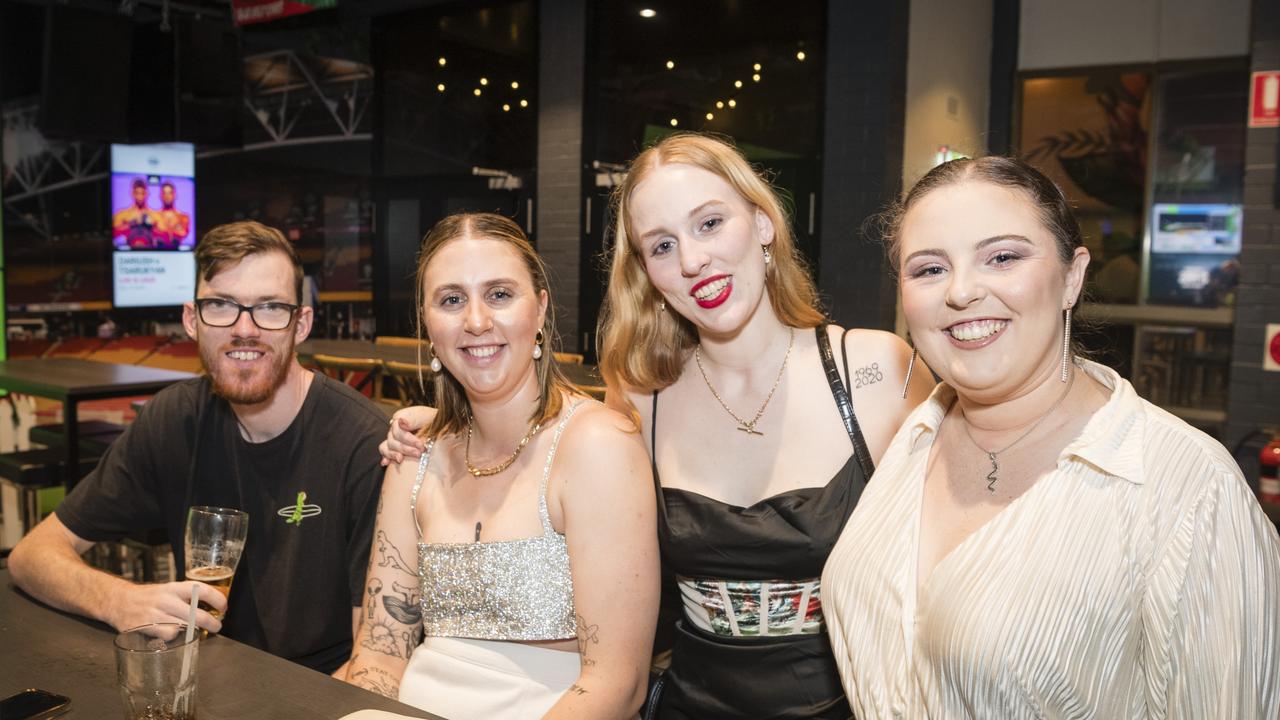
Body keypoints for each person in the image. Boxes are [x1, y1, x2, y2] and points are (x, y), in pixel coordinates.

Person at [381, 133, 932, 719]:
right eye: (662, 245)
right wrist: (449, 419)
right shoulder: (642, 398)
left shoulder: (876, 373)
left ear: (764, 223)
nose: (693, 260)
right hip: (690, 706)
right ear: (645, 271)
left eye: (710, 223)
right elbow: (551, 427)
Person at [822, 157, 1280, 718]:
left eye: (1004, 257)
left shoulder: (1187, 490)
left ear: (1071, 277)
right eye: (929, 269)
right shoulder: (910, 438)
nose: (962, 292)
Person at [9, 220, 387, 676]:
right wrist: (120, 600)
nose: (244, 329)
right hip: (205, 679)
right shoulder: (173, 419)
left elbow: (374, 663)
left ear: (300, 324)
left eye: (269, 307)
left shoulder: (364, 443)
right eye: (222, 305)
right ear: (192, 319)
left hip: (320, 689)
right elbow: (31, 556)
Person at [343, 213, 658, 719]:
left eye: (499, 294)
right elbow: (380, 652)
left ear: (540, 309)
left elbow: (618, 684)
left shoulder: (597, 445)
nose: (475, 321)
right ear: (429, 326)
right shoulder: (415, 456)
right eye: (451, 300)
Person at [112, 177, 159, 249]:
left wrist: (152, 227)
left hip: (150, 255)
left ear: (147, 194)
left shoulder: (155, 215)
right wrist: (130, 224)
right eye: (137, 193)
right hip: (129, 256)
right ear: (132, 193)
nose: (140, 196)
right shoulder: (123, 214)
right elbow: (112, 233)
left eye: (142, 193)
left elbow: (166, 237)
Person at [154, 181, 193, 249]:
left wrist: (165, 231)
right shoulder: (154, 216)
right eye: (164, 193)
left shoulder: (183, 217)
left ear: (174, 195)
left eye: (170, 193)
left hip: (177, 255)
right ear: (160, 195)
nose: (167, 196)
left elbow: (183, 233)